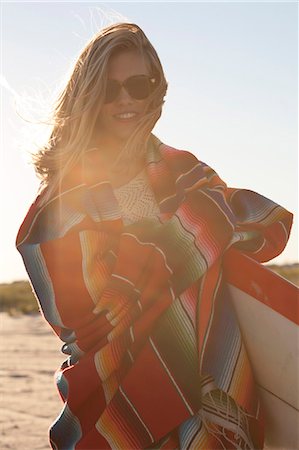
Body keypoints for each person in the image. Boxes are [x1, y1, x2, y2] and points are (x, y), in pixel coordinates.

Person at [16, 23, 292, 450]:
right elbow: (81, 315)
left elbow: (262, 227)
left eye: (137, 85)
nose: (125, 99)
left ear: (156, 89)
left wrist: (176, 242)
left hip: (209, 391)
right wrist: (190, 240)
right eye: (109, 89)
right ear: (88, 96)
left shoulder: (183, 172)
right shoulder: (65, 198)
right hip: (115, 393)